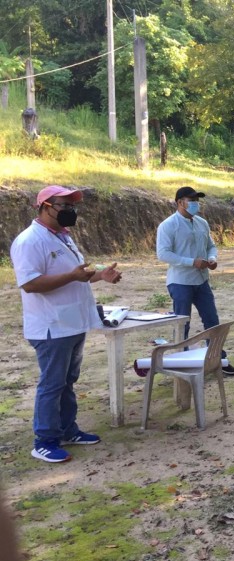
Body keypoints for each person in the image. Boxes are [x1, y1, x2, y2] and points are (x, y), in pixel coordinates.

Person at [10, 185, 123, 463]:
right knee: (52, 384)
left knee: (68, 381)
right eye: (64, 206)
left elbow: (79, 274)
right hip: (51, 326)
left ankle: (67, 429)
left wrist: (100, 276)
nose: (70, 211)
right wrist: (74, 277)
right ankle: (45, 440)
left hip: (73, 323)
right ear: (46, 207)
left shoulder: (63, 237)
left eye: (73, 206)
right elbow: (30, 283)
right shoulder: (29, 241)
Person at [156, 186, 234, 376]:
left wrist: (212, 259)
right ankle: (180, 361)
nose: (195, 203)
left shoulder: (202, 223)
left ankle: (217, 359)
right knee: (182, 323)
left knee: (212, 321)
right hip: (180, 282)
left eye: (196, 200)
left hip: (201, 281)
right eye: (190, 200)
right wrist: (192, 262)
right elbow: (163, 254)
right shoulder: (168, 225)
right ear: (179, 202)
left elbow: (211, 246)